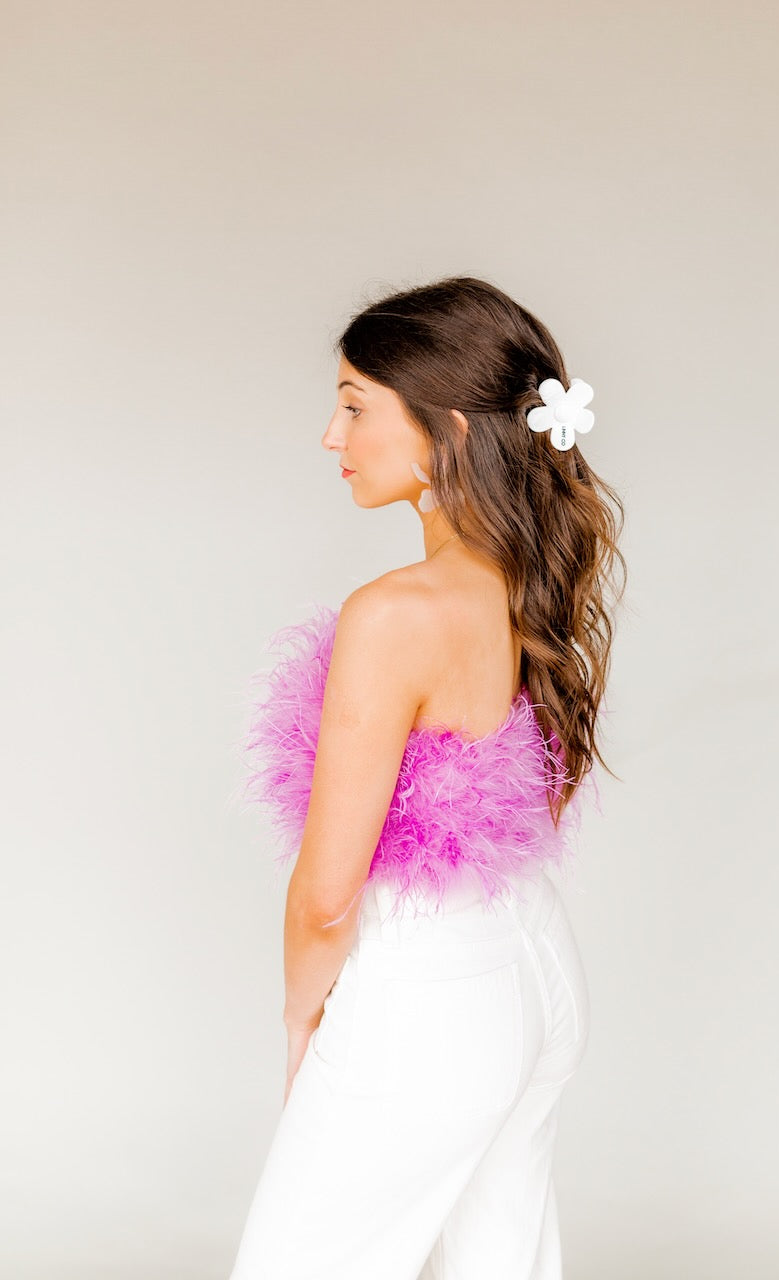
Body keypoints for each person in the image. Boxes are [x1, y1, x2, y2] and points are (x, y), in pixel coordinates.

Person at [230, 275, 627, 1279]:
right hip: (530, 965)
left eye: (355, 405)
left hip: (430, 995)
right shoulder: (517, 581)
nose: (331, 435)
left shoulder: (395, 613)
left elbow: (328, 893)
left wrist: (300, 1020)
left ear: (447, 427)